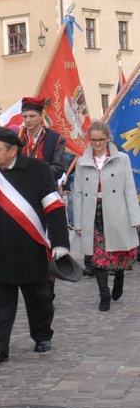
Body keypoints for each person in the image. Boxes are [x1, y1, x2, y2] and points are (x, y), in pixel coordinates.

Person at [0, 127, 70, 364]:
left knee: (38, 296)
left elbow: (53, 206)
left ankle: (42, 335)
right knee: (0, 300)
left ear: (13, 151)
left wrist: (60, 243)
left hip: (30, 247)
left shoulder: (38, 170)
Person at [73, 121, 140, 311]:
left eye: (101, 140)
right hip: (92, 212)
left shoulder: (122, 159)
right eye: (93, 140)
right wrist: (77, 222)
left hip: (117, 210)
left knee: (118, 250)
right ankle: (104, 292)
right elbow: (77, 193)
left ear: (108, 138)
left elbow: (129, 189)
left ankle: (119, 276)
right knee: (98, 254)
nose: (97, 144)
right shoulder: (82, 161)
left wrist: (135, 218)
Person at [18, 96, 67, 184]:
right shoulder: (18, 138)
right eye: (25, 116)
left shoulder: (56, 139)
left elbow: (59, 168)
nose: (28, 120)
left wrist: (36, 173)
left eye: (32, 116)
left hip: (46, 189)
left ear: (41, 116)